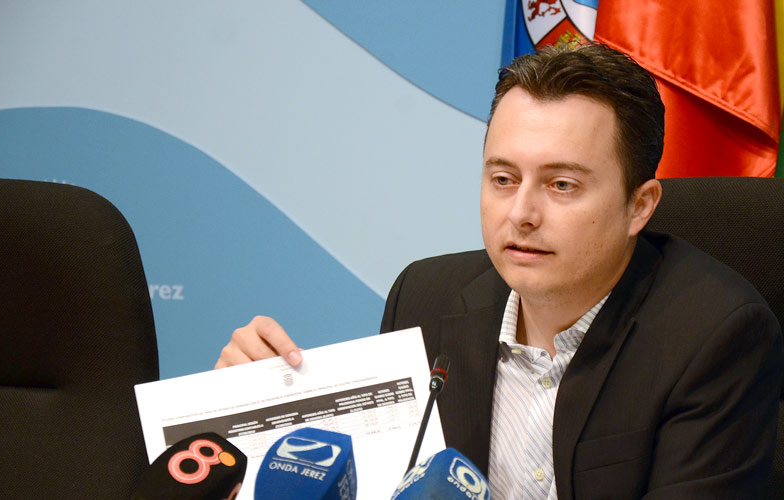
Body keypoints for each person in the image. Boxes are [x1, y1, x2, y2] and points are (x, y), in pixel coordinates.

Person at [215, 44, 783, 499]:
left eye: (562, 185)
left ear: (639, 206)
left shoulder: (714, 336)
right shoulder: (426, 297)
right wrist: (250, 412)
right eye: (503, 179)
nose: (521, 214)